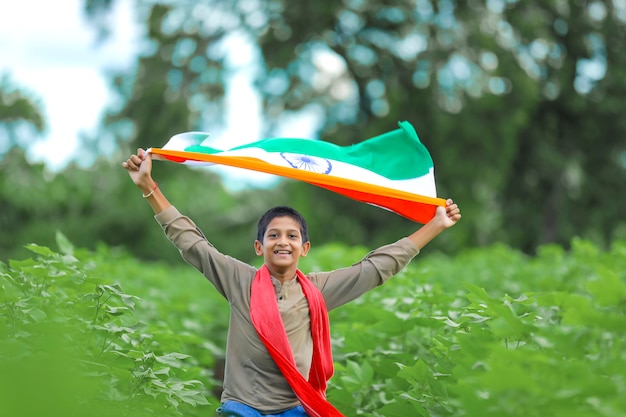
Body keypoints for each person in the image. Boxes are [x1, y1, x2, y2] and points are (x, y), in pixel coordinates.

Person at [123, 147, 461, 417]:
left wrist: (435, 225)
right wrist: (149, 188)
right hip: (241, 408)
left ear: (304, 247)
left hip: (295, 409)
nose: (283, 241)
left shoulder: (317, 289)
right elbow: (192, 243)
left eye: (292, 235)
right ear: (259, 247)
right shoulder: (239, 279)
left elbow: (374, 269)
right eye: (273, 235)